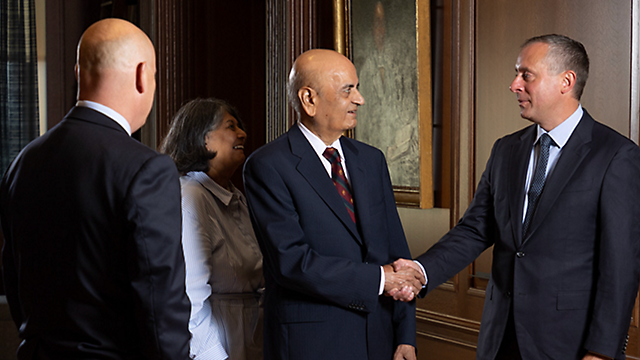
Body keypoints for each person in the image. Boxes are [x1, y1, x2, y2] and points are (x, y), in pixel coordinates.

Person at [393, 34, 640, 360]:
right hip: (500, 338)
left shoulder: (616, 155)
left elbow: (620, 266)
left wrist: (602, 352)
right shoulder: (506, 149)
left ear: (566, 81)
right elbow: (475, 229)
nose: (514, 85)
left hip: (570, 345)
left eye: (526, 75)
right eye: (516, 73)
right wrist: (421, 271)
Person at [0, 18, 190, 359]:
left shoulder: (22, 163)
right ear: (142, 75)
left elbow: (14, 283)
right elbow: (159, 304)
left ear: (78, 73)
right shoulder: (147, 168)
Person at [242, 49, 424, 360]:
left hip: (379, 339)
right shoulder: (267, 166)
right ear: (309, 99)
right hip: (313, 343)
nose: (360, 99)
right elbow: (292, 262)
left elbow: (397, 253)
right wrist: (380, 280)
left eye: (357, 87)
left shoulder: (371, 159)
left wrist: (405, 336)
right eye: (348, 90)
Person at [161, 98, 264, 360]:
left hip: (248, 337)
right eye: (231, 126)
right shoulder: (191, 196)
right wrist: (214, 356)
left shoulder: (235, 196)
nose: (243, 133)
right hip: (219, 345)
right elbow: (189, 299)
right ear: (204, 139)